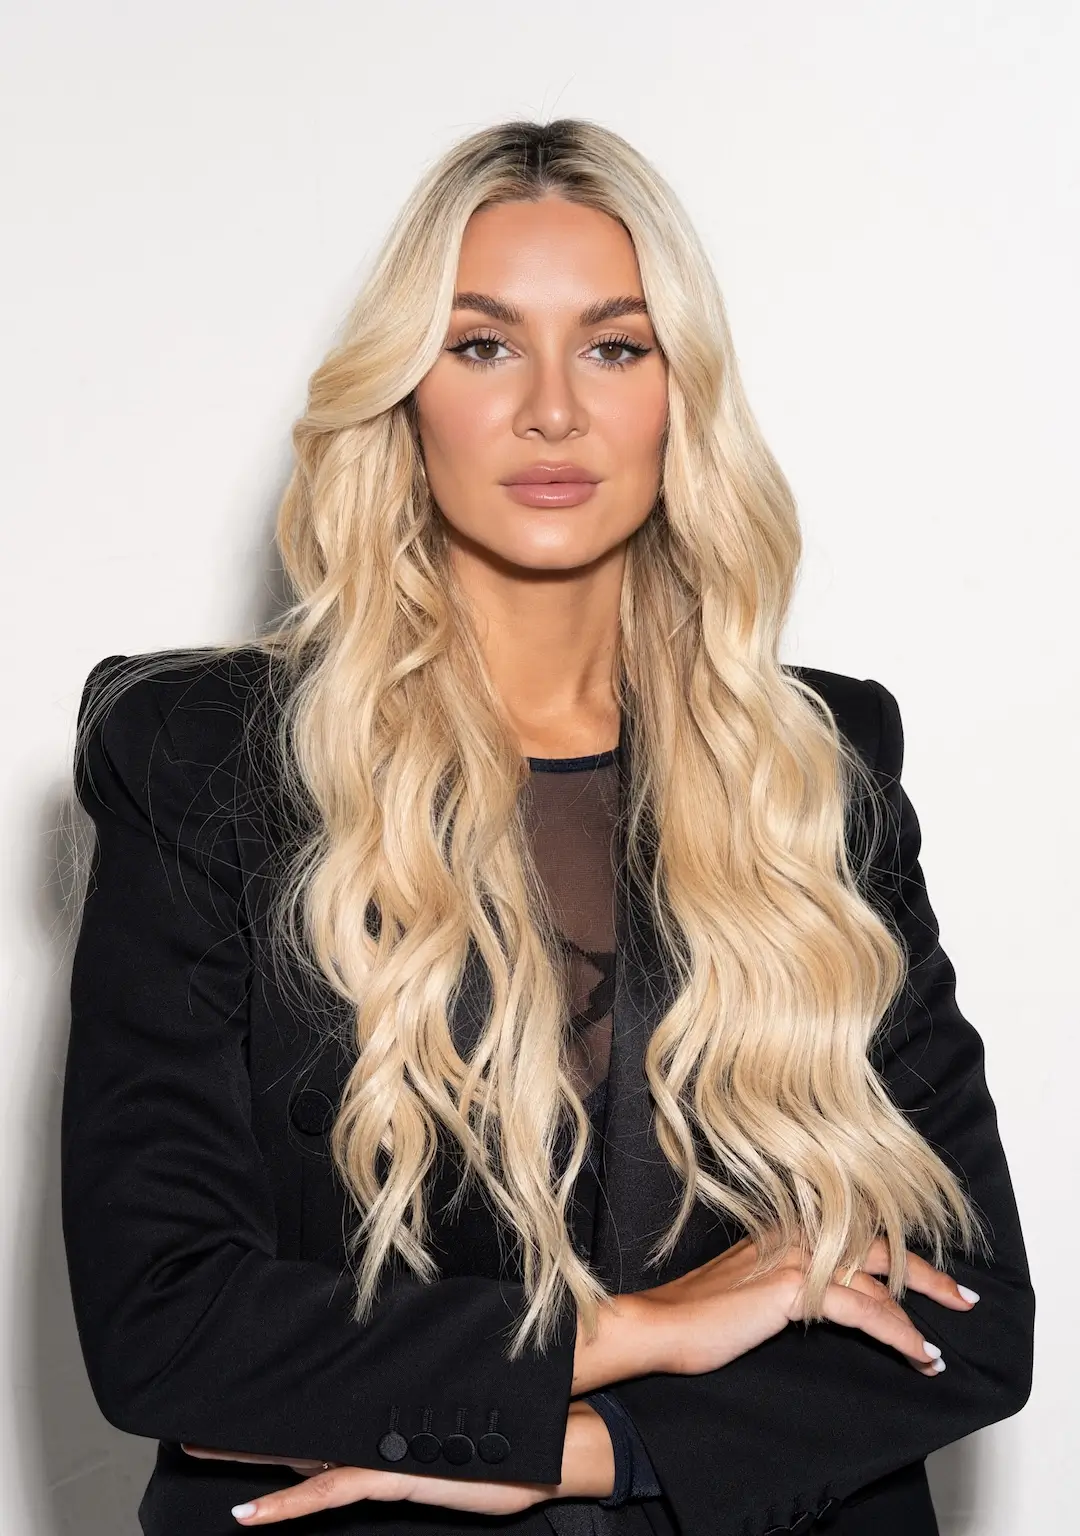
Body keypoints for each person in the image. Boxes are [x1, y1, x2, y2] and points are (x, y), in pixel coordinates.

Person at [61, 118, 1034, 1536]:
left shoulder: (813, 769)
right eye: (483, 345)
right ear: (404, 396)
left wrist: (583, 1450)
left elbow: (971, 1313)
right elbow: (168, 1327)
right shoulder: (204, 760)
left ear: (680, 397)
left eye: (615, 347)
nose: (554, 410)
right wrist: (637, 1331)